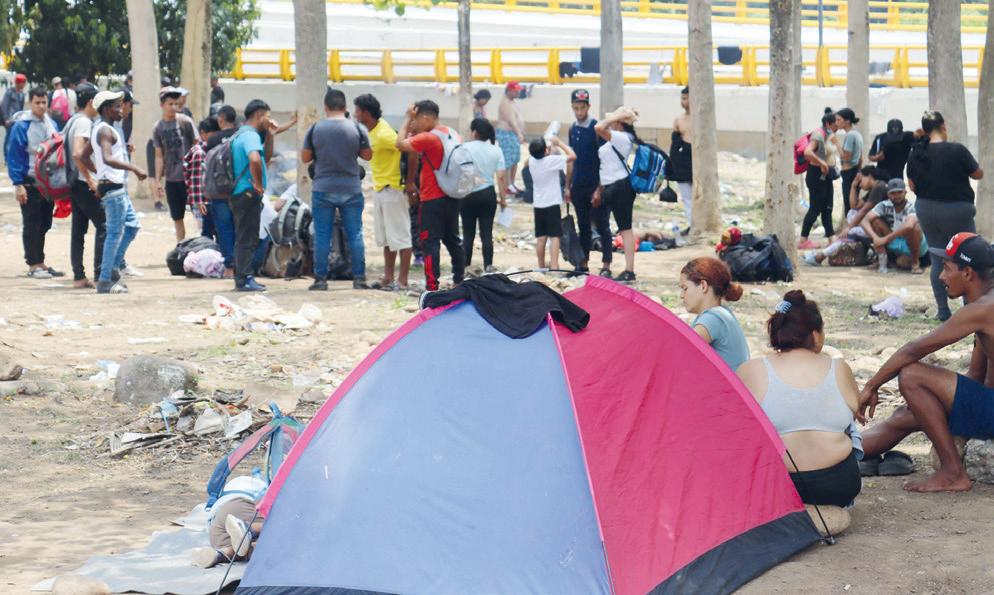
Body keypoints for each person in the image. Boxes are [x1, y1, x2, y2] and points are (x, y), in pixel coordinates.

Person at [859, 233, 994, 492]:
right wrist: (930, 403)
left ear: (967, 273)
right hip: (988, 402)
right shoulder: (983, 305)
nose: (941, 276)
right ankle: (833, 454)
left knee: (911, 376)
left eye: (946, 268)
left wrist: (871, 386)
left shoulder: (982, 309)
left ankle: (953, 473)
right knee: (907, 414)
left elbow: (914, 350)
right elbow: (976, 375)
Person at [737, 291, 862, 508]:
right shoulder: (838, 367)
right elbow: (856, 410)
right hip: (839, 485)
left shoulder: (751, 370)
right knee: (847, 426)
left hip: (777, 486)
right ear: (815, 334)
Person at [907, 110, 984, 321]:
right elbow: (978, 173)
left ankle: (943, 309)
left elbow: (912, 186)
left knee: (938, 258)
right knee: (968, 257)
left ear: (924, 129)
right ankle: (971, 307)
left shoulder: (916, 152)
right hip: (958, 210)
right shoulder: (957, 150)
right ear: (943, 126)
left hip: (927, 209)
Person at [301, 88, 371, 291]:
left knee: (322, 235)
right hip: (351, 187)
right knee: (355, 233)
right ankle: (359, 279)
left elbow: (305, 158)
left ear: (325, 107)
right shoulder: (357, 128)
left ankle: (321, 280)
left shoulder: (315, 129)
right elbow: (367, 155)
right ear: (345, 106)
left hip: (323, 188)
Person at [395, 100, 466, 292]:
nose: (414, 124)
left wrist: (406, 118)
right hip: (452, 195)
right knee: (452, 239)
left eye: (416, 120)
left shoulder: (429, 137)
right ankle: (460, 278)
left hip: (432, 198)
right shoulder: (452, 133)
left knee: (429, 242)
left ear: (426, 117)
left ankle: (432, 286)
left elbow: (400, 144)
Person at [89, 91, 147, 294]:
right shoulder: (105, 130)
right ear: (106, 109)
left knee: (131, 226)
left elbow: (82, 154)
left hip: (113, 186)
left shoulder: (102, 128)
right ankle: (105, 280)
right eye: (116, 106)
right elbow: (106, 158)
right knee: (114, 234)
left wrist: (100, 176)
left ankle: (112, 268)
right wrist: (134, 168)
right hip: (113, 189)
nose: (121, 110)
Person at [353, 94, 412, 290]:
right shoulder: (372, 131)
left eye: (357, 111)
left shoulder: (384, 134)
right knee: (387, 237)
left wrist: (409, 183)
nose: (355, 114)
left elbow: (409, 150)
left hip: (393, 189)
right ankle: (388, 277)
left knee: (401, 237)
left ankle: (402, 281)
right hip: (380, 189)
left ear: (366, 113)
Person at [6, 86, 63, 279]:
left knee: (45, 223)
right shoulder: (21, 126)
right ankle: (32, 264)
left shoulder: (51, 124)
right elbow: (14, 155)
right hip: (30, 181)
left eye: (43, 102)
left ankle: (41, 262)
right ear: (30, 103)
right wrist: (18, 184)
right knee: (32, 223)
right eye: (37, 102)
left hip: (48, 183)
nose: (40, 106)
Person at [565, 89, 611, 276]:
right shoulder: (572, 129)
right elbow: (571, 160)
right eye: (576, 108)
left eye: (582, 108)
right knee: (582, 226)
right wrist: (568, 186)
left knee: (602, 225)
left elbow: (604, 161)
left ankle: (606, 264)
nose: (579, 112)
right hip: (578, 186)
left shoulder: (596, 129)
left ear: (588, 107)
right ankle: (583, 263)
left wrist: (599, 189)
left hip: (595, 185)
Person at [803, 165, 887, 267]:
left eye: (861, 181)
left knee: (849, 232)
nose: (860, 185)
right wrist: (853, 186)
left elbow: (864, 211)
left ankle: (820, 256)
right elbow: (854, 206)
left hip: (880, 228)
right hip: (871, 227)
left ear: (869, 176)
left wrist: (848, 228)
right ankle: (820, 256)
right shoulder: (874, 189)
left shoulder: (879, 187)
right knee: (851, 215)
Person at [229, 99, 272, 292]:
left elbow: (266, 158)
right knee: (247, 237)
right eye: (268, 116)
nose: (269, 121)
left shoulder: (241, 134)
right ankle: (244, 278)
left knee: (245, 236)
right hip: (247, 193)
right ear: (259, 115)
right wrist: (259, 184)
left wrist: (271, 134)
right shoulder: (250, 135)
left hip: (239, 193)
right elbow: (254, 159)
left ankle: (243, 277)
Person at [594, 107, 640, 283]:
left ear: (620, 122)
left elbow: (598, 127)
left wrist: (617, 116)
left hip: (620, 186)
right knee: (611, 227)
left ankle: (629, 270)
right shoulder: (617, 137)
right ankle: (612, 266)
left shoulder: (622, 138)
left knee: (625, 229)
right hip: (610, 187)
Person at [65, 83, 104, 288]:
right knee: (104, 224)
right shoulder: (83, 123)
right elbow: (78, 153)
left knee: (78, 230)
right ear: (91, 102)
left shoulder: (73, 120)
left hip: (74, 181)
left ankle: (79, 276)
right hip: (82, 182)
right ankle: (99, 274)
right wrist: (91, 179)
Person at [679, 257, 749, 370]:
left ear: (703, 286)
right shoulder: (722, 312)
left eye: (685, 288)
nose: (681, 295)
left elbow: (680, 354)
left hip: (727, 387)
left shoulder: (712, 319)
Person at [191, 475, 266, 568]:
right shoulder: (264, 488)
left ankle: (217, 555)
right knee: (275, 528)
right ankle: (248, 529)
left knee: (242, 550)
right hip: (240, 508)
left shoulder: (231, 488)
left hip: (216, 530)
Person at [461, 118, 506, 273]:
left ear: (474, 132)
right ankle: (488, 265)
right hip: (488, 194)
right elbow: (500, 177)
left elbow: (459, 171)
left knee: (468, 233)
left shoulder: (465, 148)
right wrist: (503, 199)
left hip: (468, 194)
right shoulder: (496, 150)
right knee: (486, 232)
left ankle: (466, 266)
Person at [153, 86, 197, 241]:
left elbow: (197, 145)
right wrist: (158, 180)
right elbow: (159, 155)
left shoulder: (185, 122)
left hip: (190, 179)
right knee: (177, 218)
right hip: (172, 179)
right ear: (162, 105)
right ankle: (181, 247)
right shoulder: (158, 128)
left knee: (199, 215)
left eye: (175, 104)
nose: (173, 107)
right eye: (169, 104)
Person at [526, 135, 575, 271]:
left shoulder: (531, 161)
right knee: (554, 236)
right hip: (552, 203)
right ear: (545, 152)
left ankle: (541, 266)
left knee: (541, 238)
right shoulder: (551, 161)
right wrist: (559, 143)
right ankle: (554, 266)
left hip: (538, 204)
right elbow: (572, 156)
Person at [860, 178, 926, 274]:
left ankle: (915, 263)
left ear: (905, 192)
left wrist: (885, 239)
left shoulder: (911, 207)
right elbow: (864, 221)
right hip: (895, 240)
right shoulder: (884, 205)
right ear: (888, 195)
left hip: (914, 245)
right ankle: (883, 260)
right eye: (893, 193)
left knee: (914, 228)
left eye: (899, 192)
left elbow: (909, 226)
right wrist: (875, 238)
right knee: (875, 222)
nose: (896, 196)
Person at [799, 108, 840, 249]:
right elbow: (807, 152)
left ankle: (831, 238)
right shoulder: (818, 135)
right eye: (836, 125)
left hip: (826, 176)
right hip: (816, 175)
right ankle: (803, 239)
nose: (837, 128)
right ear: (828, 124)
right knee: (815, 208)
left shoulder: (829, 135)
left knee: (828, 207)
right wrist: (822, 163)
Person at [205, 105, 239, 277]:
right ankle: (244, 264)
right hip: (239, 190)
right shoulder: (241, 135)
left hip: (219, 191)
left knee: (224, 229)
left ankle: (229, 267)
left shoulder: (213, 139)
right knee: (240, 227)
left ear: (221, 120)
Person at [184, 117, 220, 239]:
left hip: (207, 200)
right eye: (213, 134)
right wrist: (199, 202)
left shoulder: (211, 149)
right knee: (206, 233)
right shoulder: (200, 153)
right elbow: (196, 180)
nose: (215, 136)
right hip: (201, 202)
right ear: (203, 133)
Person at [670, 86, 693, 235]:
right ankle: (692, 224)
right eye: (682, 98)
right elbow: (675, 143)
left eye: (685, 98)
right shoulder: (679, 120)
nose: (682, 102)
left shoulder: (701, 118)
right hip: (683, 161)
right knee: (687, 197)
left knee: (699, 196)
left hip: (698, 160)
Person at [495, 81, 525, 195]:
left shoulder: (513, 102)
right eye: (516, 91)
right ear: (510, 91)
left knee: (515, 159)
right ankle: (507, 184)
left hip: (513, 134)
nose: (518, 92)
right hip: (506, 134)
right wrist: (519, 133)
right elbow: (511, 121)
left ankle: (511, 183)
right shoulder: (505, 103)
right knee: (508, 160)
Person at [836, 108, 863, 215]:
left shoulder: (850, 135)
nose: (837, 123)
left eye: (839, 120)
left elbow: (846, 157)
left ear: (847, 121)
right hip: (855, 170)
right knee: (853, 202)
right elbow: (861, 158)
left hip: (849, 172)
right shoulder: (857, 134)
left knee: (849, 205)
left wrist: (837, 144)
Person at [2, 73, 27, 157]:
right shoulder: (9, 92)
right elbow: (4, 105)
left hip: (17, 120)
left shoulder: (21, 94)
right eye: (23, 83)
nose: (24, 85)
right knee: (9, 138)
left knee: (15, 138)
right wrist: (6, 119)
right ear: (18, 83)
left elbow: (21, 108)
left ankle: (13, 155)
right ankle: (6, 157)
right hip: (9, 120)